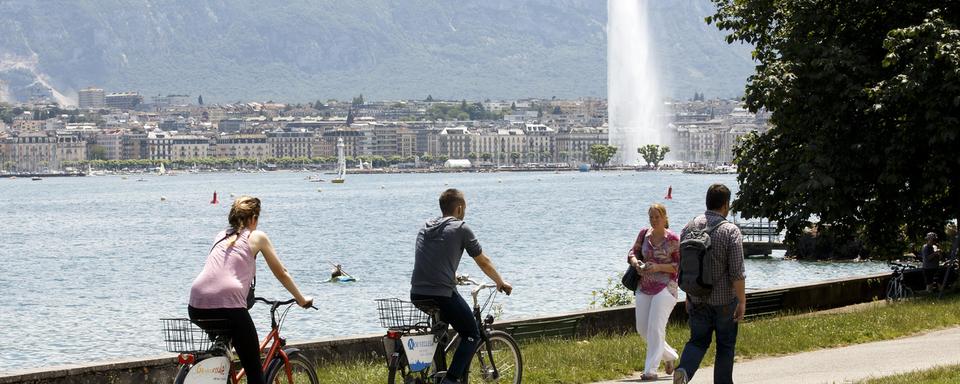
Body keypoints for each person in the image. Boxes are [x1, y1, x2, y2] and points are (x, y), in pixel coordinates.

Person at [188, 196, 313, 384]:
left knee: (226, 343)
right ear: (253, 218)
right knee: (254, 372)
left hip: (196, 306)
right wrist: (301, 299)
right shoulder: (257, 237)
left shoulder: (220, 235)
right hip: (229, 308)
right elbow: (282, 273)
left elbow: (220, 272)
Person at [410, 188, 513, 384]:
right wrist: (500, 281)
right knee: (472, 333)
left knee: (442, 330)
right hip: (442, 294)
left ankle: (436, 372)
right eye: (464, 207)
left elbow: (431, 259)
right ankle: (450, 380)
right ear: (459, 208)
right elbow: (483, 261)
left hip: (417, 293)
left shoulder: (425, 227)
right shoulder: (461, 228)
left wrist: (452, 275)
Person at [674, 184, 746, 384]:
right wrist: (741, 301)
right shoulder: (730, 231)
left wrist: (688, 296)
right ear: (725, 205)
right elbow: (737, 273)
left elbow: (685, 267)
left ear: (707, 202)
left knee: (697, 341)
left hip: (696, 297)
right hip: (724, 301)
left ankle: (684, 370)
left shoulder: (688, 227)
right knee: (725, 345)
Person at [627, 203, 681, 381]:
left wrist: (658, 266)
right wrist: (637, 263)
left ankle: (650, 370)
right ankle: (670, 356)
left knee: (655, 328)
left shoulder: (673, 238)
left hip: (666, 287)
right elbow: (632, 253)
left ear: (665, 217)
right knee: (643, 329)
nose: (654, 220)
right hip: (644, 285)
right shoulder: (644, 234)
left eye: (657, 217)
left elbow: (678, 266)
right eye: (651, 217)